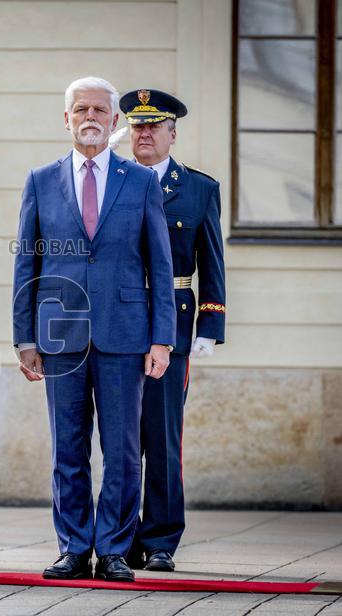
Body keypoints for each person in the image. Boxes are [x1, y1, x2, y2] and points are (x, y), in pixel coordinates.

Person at [12, 77, 175, 582]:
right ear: (66, 119)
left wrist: (162, 337)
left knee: (123, 450)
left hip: (126, 332)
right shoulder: (40, 180)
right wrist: (24, 336)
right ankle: (73, 547)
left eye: (100, 109)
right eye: (80, 108)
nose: (90, 116)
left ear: (114, 120)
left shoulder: (140, 181)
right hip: (60, 334)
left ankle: (113, 551)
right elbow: (26, 263)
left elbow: (161, 265)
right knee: (68, 448)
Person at [119, 89, 226, 573]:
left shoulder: (198, 189)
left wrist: (211, 322)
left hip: (174, 323)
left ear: (172, 134)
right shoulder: (112, 180)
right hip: (118, 323)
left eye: (153, 126)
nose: (144, 133)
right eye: (137, 126)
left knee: (162, 437)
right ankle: (119, 537)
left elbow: (212, 263)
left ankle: (160, 538)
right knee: (120, 438)